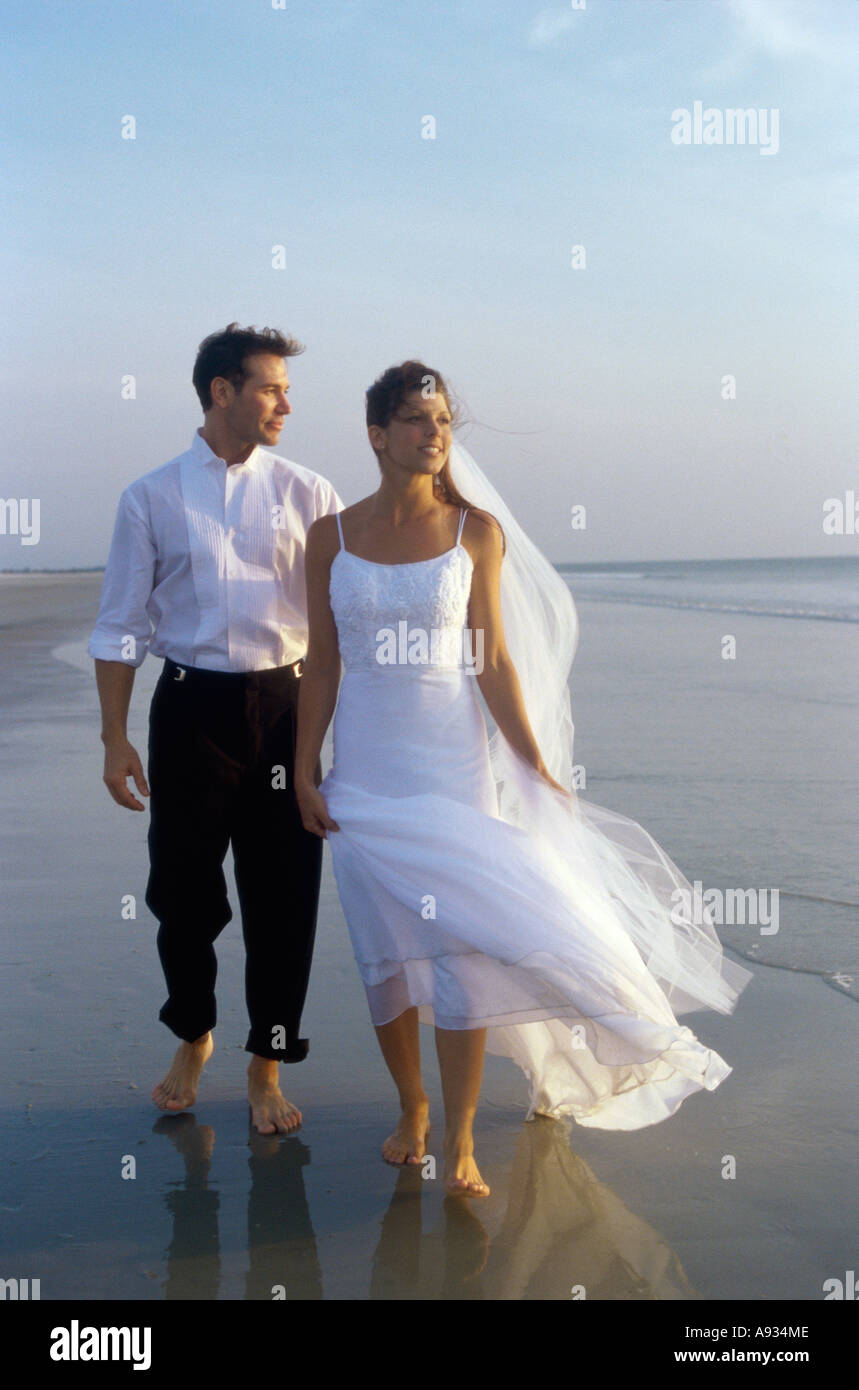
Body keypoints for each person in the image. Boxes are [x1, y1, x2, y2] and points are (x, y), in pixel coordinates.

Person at [295, 360, 751, 1196]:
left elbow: (492, 659)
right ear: (376, 434)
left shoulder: (475, 533)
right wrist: (304, 769)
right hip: (363, 777)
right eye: (415, 420)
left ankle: (461, 1136)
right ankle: (413, 1109)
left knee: (463, 954)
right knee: (384, 951)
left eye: (442, 422)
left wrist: (533, 761)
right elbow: (320, 665)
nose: (434, 434)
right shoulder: (331, 536)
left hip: (451, 767)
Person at [89, 323, 343, 1133]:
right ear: (220, 391)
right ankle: (193, 1034)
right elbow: (121, 626)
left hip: (284, 711)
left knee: (283, 898)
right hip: (189, 710)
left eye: (285, 388)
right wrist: (114, 737)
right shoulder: (151, 496)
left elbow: (340, 630)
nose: (284, 402)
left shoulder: (309, 493)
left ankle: (266, 1064)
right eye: (270, 387)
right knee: (182, 895)